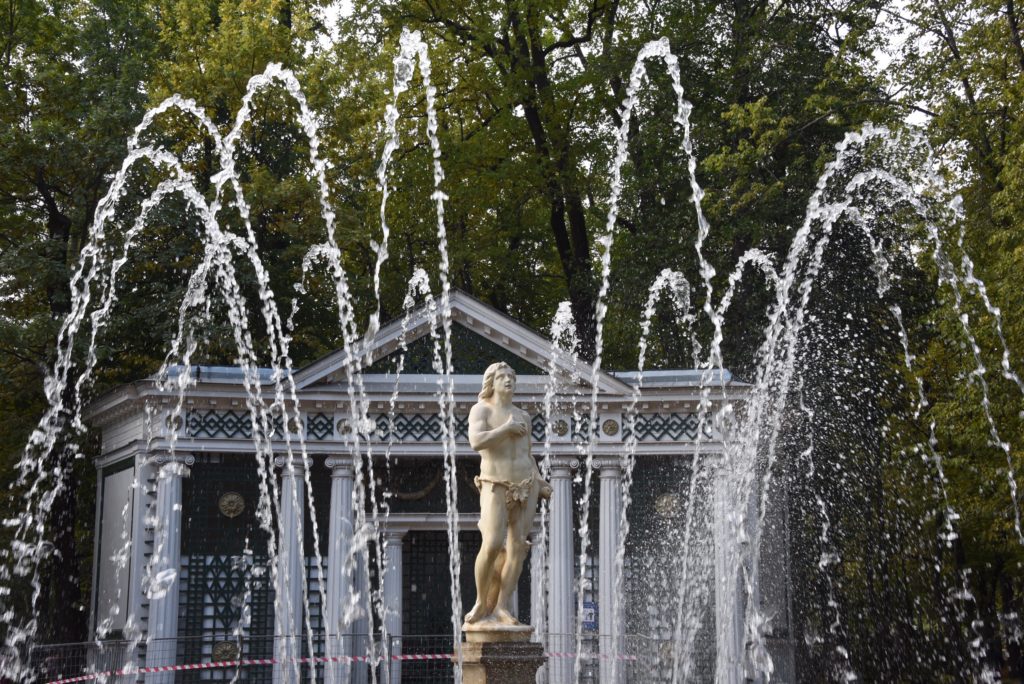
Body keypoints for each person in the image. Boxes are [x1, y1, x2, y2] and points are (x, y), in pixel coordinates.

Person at [464, 362, 551, 626]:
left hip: (526, 485)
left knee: (518, 548)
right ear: (491, 381)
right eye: (502, 376)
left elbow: (527, 454)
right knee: (491, 545)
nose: (509, 381)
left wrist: (540, 480)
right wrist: (506, 429)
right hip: (495, 484)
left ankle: (501, 606)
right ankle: (481, 603)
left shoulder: (523, 416)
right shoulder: (482, 410)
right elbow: (476, 441)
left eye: (512, 376)